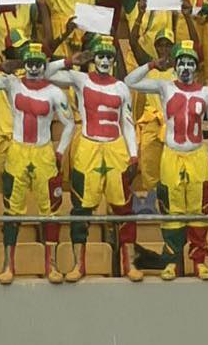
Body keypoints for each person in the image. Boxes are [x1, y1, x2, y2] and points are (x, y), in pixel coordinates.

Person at [0, 43, 75, 284]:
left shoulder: (55, 92)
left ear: (44, 66)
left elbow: (69, 124)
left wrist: (59, 153)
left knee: (50, 212)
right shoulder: (11, 84)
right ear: (23, 64)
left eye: (39, 64)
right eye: (30, 63)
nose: (34, 68)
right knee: (11, 211)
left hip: (44, 153)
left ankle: (52, 265)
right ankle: (8, 265)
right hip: (17, 152)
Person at [47, 37, 143, 282]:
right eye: (99, 56)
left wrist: (133, 155)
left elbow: (128, 123)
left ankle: (128, 263)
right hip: (88, 146)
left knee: (124, 208)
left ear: (113, 60)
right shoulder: (80, 80)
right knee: (81, 209)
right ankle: (80, 265)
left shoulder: (121, 87)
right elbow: (47, 73)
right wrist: (70, 60)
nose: (104, 61)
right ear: (93, 59)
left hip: (116, 148)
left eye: (108, 57)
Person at [126, 42, 208, 281]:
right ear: (175, 66)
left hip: (197, 155)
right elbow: (130, 81)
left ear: (196, 68)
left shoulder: (207, 94)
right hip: (171, 156)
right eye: (182, 63)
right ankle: (171, 263)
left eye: (190, 63)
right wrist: (152, 64)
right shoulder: (164, 87)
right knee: (171, 211)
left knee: (198, 212)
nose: (186, 67)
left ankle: (199, 262)